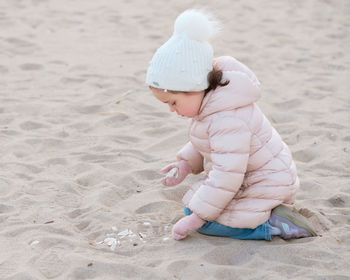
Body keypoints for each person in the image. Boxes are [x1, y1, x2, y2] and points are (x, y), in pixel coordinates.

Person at [146, 9, 316, 241]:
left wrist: (197, 220)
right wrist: (186, 163)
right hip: (251, 177)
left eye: (173, 102)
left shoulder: (227, 117)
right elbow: (211, 143)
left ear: (193, 87)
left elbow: (227, 174)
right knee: (197, 207)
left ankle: (273, 224)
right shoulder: (214, 104)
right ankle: (270, 214)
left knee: (201, 220)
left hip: (266, 182)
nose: (171, 109)